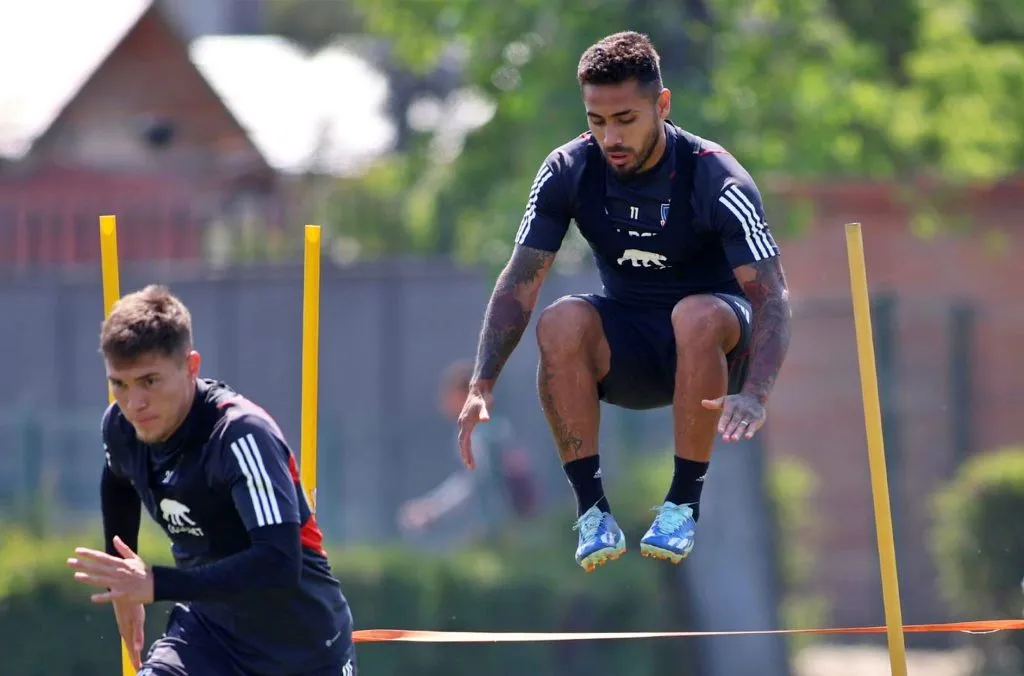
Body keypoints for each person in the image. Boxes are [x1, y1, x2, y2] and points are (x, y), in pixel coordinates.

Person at [456, 31, 792, 573]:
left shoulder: (717, 177)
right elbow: (521, 278)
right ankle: (592, 513)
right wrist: (481, 383)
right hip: (631, 356)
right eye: (596, 120)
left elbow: (772, 296)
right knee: (561, 319)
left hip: (718, 348)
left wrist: (755, 393)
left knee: (695, 314)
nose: (610, 136)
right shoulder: (567, 170)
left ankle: (682, 504)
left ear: (662, 104)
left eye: (626, 119)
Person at [66, 284, 357, 676]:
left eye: (150, 381)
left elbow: (279, 563)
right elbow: (119, 480)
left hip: (303, 650)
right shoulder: (121, 427)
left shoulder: (240, 435)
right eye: (120, 383)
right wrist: (124, 586)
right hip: (207, 635)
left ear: (191, 366)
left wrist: (155, 583)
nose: (134, 404)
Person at [397, 359, 537, 540]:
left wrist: (432, 510)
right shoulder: (493, 428)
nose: (443, 400)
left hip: (501, 531)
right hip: (507, 528)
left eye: (449, 393)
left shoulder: (481, 433)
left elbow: (477, 482)